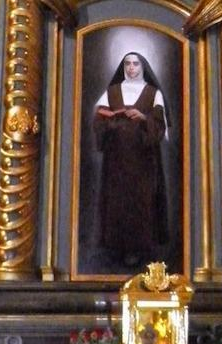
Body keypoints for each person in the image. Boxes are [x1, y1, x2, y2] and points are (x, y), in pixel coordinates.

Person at [92, 52, 170, 267]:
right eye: (127, 64)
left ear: (142, 67)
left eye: (135, 64)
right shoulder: (112, 91)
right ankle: (117, 248)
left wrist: (143, 118)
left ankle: (140, 249)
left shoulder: (153, 93)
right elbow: (98, 122)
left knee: (141, 201)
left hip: (143, 160)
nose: (131, 68)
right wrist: (111, 122)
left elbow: (160, 126)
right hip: (116, 160)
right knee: (117, 201)